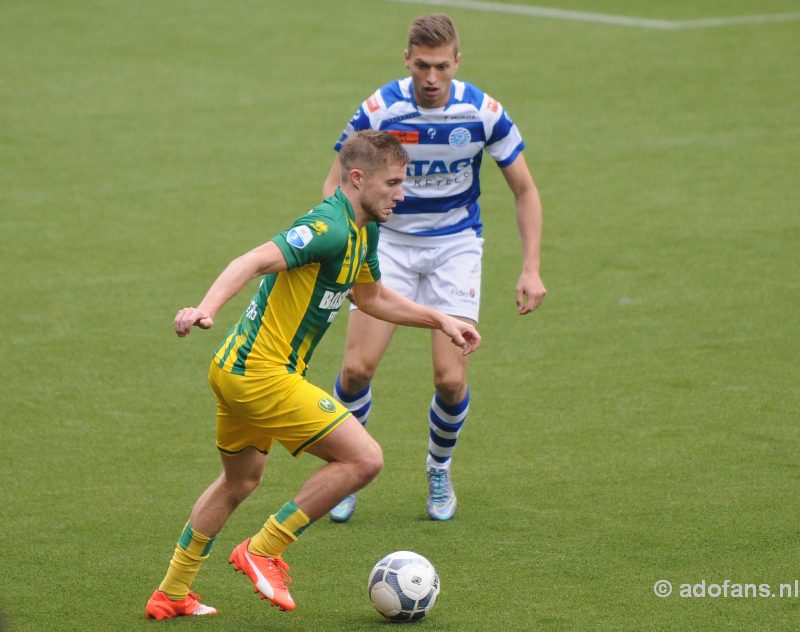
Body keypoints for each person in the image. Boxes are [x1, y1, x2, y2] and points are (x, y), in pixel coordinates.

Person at [145, 130, 480, 620]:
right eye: (392, 183)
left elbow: (372, 299)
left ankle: (172, 591)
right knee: (363, 459)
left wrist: (441, 319)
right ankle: (263, 550)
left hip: (236, 373)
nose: (401, 195)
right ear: (358, 178)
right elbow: (253, 260)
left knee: (238, 482)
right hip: (261, 374)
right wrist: (205, 308)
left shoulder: (365, 230)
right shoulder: (329, 226)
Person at [322, 13, 546, 523]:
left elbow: (525, 189)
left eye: (441, 66)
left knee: (450, 380)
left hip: (455, 247)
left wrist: (530, 267)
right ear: (406, 59)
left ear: (457, 63)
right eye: (422, 65)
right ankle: (345, 469)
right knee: (356, 369)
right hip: (389, 245)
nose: (430, 78)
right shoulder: (380, 109)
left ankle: (438, 467)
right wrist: (346, 245)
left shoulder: (484, 113)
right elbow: (336, 181)